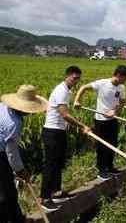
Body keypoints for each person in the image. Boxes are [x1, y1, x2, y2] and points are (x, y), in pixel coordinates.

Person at [40, 66, 91, 211]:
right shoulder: (61, 91)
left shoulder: (67, 90)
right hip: (52, 132)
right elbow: (64, 114)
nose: (76, 81)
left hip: (59, 131)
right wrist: (82, 126)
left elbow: (61, 114)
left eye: (78, 79)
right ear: (67, 76)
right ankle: (44, 198)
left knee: (58, 163)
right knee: (50, 165)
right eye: (74, 78)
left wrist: (66, 126)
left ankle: (56, 192)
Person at [74, 65, 126, 181]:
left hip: (113, 120)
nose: (124, 81)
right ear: (118, 75)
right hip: (100, 120)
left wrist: (114, 111)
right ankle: (101, 170)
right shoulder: (102, 83)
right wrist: (77, 100)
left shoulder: (121, 87)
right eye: (124, 78)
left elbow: (122, 102)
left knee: (112, 144)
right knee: (102, 146)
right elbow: (84, 87)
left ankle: (110, 167)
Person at [0, 85, 48, 221]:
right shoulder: (14, 123)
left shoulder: (2, 106)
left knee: (7, 191)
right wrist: (21, 171)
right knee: (6, 193)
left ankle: (17, 218)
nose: (31, 112)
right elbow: (11, 153)